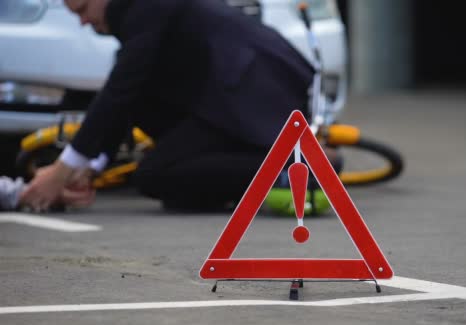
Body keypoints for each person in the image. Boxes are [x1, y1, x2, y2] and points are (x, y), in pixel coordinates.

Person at [20, 0, 315, 212]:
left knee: (155, 175)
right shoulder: (137, 17)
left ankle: (294, 165)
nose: (83, 22)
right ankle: (275, 164)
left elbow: (119, 90)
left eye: (83, 9)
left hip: (256, 94)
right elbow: (132, 93)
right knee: (176, 186)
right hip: (230, 97)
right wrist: (90, 168)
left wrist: (62, 170)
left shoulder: (145, 7)